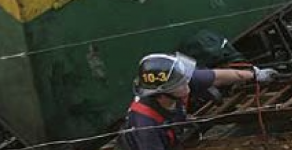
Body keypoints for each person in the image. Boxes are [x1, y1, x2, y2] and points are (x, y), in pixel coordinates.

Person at [119, 53, 278, 150]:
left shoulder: (179, 83)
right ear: (162, 93)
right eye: (180, 83)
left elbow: (217, 77)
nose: (186, 84)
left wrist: (255, 75)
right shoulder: (146, 126)